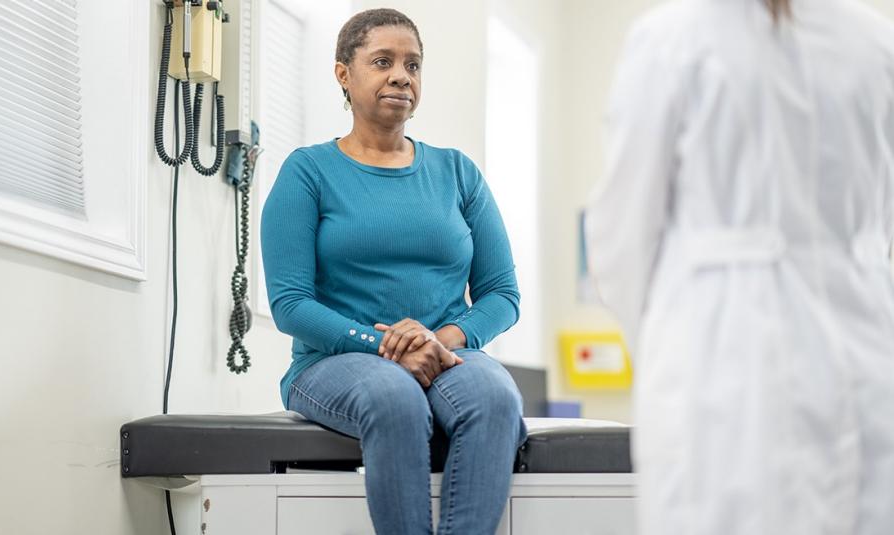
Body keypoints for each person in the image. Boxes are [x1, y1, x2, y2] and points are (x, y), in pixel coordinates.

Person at [586, 0, 894, 534]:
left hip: (723, 366)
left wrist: (664, 342)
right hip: (865, 356)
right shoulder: (876, 42)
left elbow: (621, 239)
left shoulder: (672, 40)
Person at [260, 8, 525, 535]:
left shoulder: (457, 172)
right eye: (382, 61)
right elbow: (290, 303)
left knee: (497, 398)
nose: (401, 75)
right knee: (392, 394)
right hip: (335, 360)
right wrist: (384, 346)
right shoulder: (308, 172)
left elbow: (502, 294)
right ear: (344, 73)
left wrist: (438, 339)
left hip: (448, 352)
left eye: (413, 64)